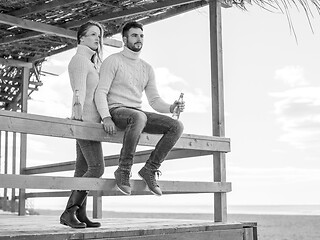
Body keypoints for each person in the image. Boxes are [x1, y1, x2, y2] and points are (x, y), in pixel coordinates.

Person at [95, 21, 185, 197]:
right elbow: (101, 92)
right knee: (139, 117)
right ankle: (123, 170)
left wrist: (171, 107)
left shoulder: (147, 68)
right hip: (117, 111)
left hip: (137, 114)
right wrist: (105, 116)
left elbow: (154, 100)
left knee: (177, 126)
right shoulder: (113, 61)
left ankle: (150, 169)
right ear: (124, 39)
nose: (139, 39)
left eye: (141, 36)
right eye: (134, 35)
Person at [60, 21, 105, 229]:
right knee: (97, 168)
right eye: (93, 34)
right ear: (81, 38)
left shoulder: (90, 62)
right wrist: (78, 122)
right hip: (85, 123)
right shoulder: (79, 60)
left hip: (91, 124)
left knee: (82, 170)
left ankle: (81, 214)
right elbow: (78, 93)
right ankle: (69, 212)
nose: (97, 38)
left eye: (99, 35)